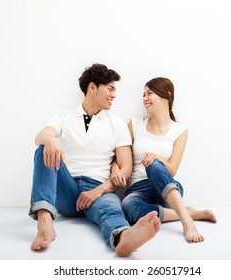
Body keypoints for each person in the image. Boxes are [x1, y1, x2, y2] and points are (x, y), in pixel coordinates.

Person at [29, 63, 160, 257]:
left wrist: (97, 191)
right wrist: (50, 140)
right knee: (43, 149)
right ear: (92, 87)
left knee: (111, 209)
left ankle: (123, 237)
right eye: (110, 88)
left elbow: (125, 169)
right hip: (66, 190)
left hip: (98, 190)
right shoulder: (64, 117)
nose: (114, 95)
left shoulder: (116, 123)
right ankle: (45, 221)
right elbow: (40, 135)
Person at [111, 77, 216, 243]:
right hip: (138, 189)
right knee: (127, 208)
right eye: (143, 94)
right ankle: (187, 212)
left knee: (153, 164)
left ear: (167, 96)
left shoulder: (180, 131)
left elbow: (172, 170)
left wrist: (157, 159)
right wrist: (115, 170)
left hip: (166, 189)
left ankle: (187, 222)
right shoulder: (135, 124)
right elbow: (118, 158)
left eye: (149, 93)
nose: (144, 98)